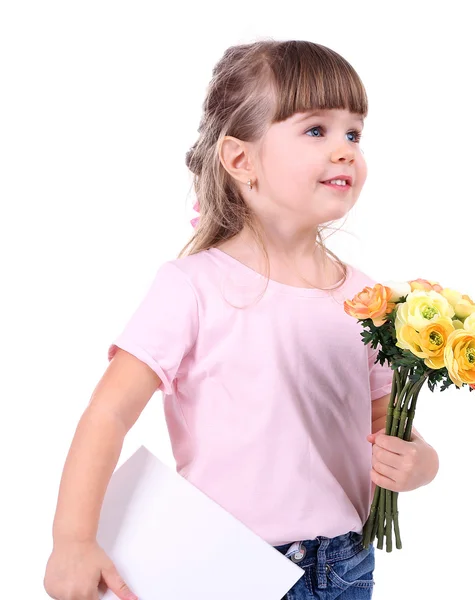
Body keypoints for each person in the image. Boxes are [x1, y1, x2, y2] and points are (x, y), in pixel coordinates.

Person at [44, 39, 439, 600]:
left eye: (354, 133)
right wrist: (73, 540)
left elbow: (380, 423)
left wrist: (418, 460)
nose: (346, 149)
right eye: (316, 130)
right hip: (226, 566)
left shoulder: (368, 300)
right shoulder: (193, 288)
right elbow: (107, 414)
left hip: (344, 566)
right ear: (240, 160)